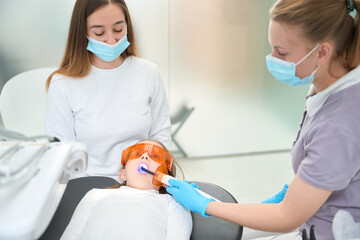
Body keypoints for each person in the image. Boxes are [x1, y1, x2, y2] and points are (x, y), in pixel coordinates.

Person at [166, 0, 360, 239]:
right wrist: (297, 191)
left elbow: (288, 217)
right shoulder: (327, 83)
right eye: (273, 48)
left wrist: (207, 205)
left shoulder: (340, 122)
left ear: (321, 52)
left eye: (281, 52)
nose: (272, 58)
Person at [45, 0, 171, 180]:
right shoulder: (62, 84)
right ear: (82, 33)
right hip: (87, 187)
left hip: (142, 183)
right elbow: (63, 158)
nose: (111, 40)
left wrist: (147, 181)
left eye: (118, 29)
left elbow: (161, 137)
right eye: (99, 32)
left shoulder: (148, 73)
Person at [60, 140, 192, 240]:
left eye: (156, 156)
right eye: (137, 153)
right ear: (123, 174)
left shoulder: (174, 203)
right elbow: (71, 235)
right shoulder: (96, 195)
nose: (145, 157)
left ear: (165, 178)